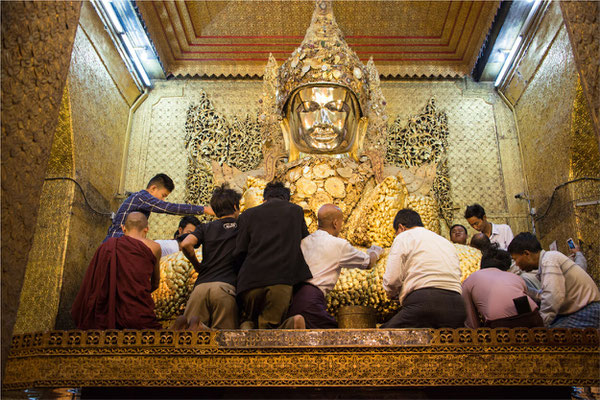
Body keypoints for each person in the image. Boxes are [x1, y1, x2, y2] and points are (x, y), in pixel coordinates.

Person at [287, 204, 383, 328]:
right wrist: (375, 251)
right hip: (311, 300)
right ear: (336, 223)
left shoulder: (304, 242)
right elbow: (368, 262)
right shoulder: (339, 245)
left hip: (293, 300)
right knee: (334, 338)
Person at [234, 181, 312, 329]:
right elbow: (305, 240)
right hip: (280, 282)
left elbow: (239, 251)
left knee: (249, 323)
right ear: (287, 199)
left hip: (249, 283)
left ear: (264, 199)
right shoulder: (295, 211)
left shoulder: (247, 215)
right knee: (269, 330)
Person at [71, 212, 162, 329]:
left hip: (105, 314)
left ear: (123, 228)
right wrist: (136, 294)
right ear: (147, 229)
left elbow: (95, 283)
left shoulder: (107, 247)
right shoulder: (155, 247)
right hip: (138, 313)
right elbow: (155, 283)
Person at [381, 209, 466, 328]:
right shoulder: (445, 242)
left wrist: (391, 293)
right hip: (458, 306)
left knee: (381, 336)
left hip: (425, 304)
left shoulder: (404, 237)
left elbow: (392, 279)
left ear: (401, 227)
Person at [178, 184, 241, 329]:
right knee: (222, 341)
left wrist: (197, 265)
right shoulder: (242, 225)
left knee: (188, 340)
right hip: (225, 288)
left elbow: (186, 244)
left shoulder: (205, 228)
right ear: (235, 206)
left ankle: (199, 327)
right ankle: (202, 329)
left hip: (200, 288)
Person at [508, 232, 600, 328]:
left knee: (549, 337)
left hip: (587, 310)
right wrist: (525, 290)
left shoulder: (549, 260)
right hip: (577, 311)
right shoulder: (547, 260)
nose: (516, 264)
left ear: (526, 253)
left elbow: (553, 296)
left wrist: (540, 325)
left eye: (515, 259)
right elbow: (546, 294)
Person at [104, 173, 213, 242]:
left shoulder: (140, 198)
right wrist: (204, 209)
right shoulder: (142, 197)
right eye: (163, 195)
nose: (163, 200)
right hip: (116, 241)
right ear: (153, 188)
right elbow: (169, 208)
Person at [462, 243, 544, 328]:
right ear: (506, 267)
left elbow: (470, 320)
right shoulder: (515, 277)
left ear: (482, 264)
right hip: (534, 319)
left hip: (500, 325)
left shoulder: (471, 279)